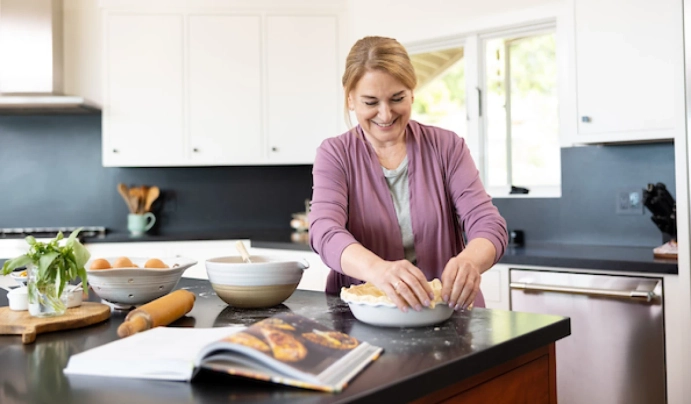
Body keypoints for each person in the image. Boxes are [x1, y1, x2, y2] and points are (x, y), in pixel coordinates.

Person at [308, 36, 508, 313]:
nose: (385, 114)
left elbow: (488, 223)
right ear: (350, 98)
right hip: (362, 317)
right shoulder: (335, 154)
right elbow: (324, 231)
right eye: (370, 102)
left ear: (412, 92)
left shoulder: (447, 147)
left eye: (397, 98)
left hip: (448, 314)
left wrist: (470, 261)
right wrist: (377, 270)